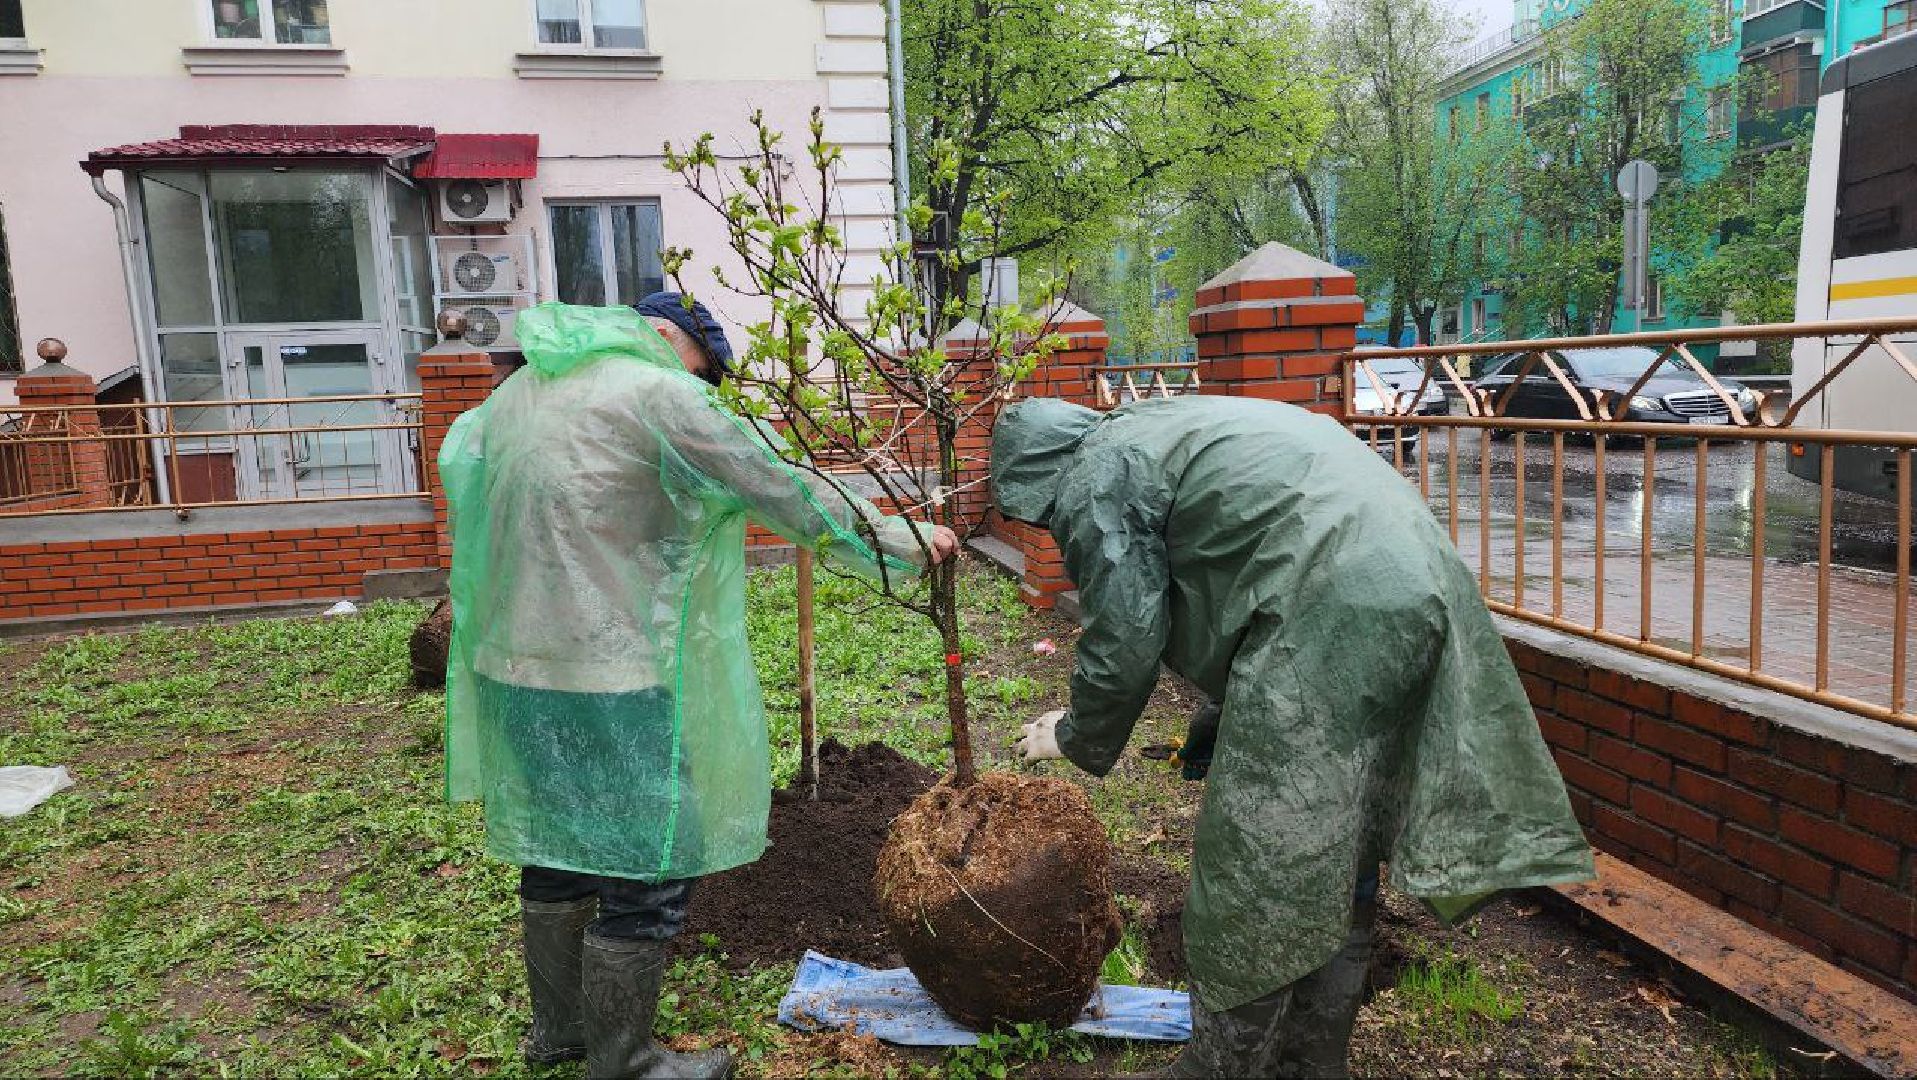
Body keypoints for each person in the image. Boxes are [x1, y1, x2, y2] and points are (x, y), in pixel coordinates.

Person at [994, 395, 1593, 1079]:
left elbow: (1126, 632)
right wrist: (1220, 719)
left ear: (1036, 473)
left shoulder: (1094, 472)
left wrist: (1074, 734)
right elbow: (1246, 562)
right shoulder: (1164, 428)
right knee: (1343, 835)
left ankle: (1223, 1068)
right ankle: (1312, 1060)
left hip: (1332, 604)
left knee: (1256, 858)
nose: (1047, 523)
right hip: (1410, 579)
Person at [440, 296, 958, 1080]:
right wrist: (900, 539)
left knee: (556, 848)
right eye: (705, 369)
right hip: (611, 671)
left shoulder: (516, 395)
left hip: (513, 666)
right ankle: (626, 1064)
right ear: (672, 341)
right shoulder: (659, 393)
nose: (705, 385)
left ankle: (561, 1034)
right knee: (650, 861)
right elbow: (773, 482)